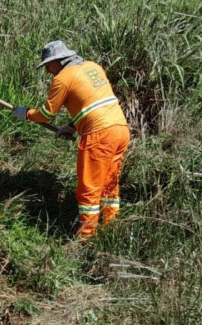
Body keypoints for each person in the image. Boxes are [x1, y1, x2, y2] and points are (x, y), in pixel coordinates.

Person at [13, 40, 131, 239]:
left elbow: (46, 113)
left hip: (99, 135)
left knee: (89, 188)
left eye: (48, 65)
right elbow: (94, 103)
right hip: (120, 130)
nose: (47, 70)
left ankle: (86, 238)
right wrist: (74, 126)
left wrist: (26, 114)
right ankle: (110, 227)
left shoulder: (63, 78)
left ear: (59, 60)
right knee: (109, 183)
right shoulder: (93, 67)